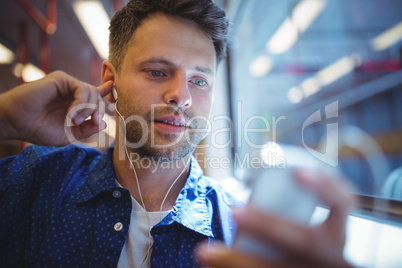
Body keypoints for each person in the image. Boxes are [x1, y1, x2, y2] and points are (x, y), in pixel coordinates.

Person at [0, 0, 355, 267]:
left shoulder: (240, 230)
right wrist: (6, 118)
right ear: (111, 79)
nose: (181, 97)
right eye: (157, 72)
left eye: (199, 80)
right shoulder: (34, 181)